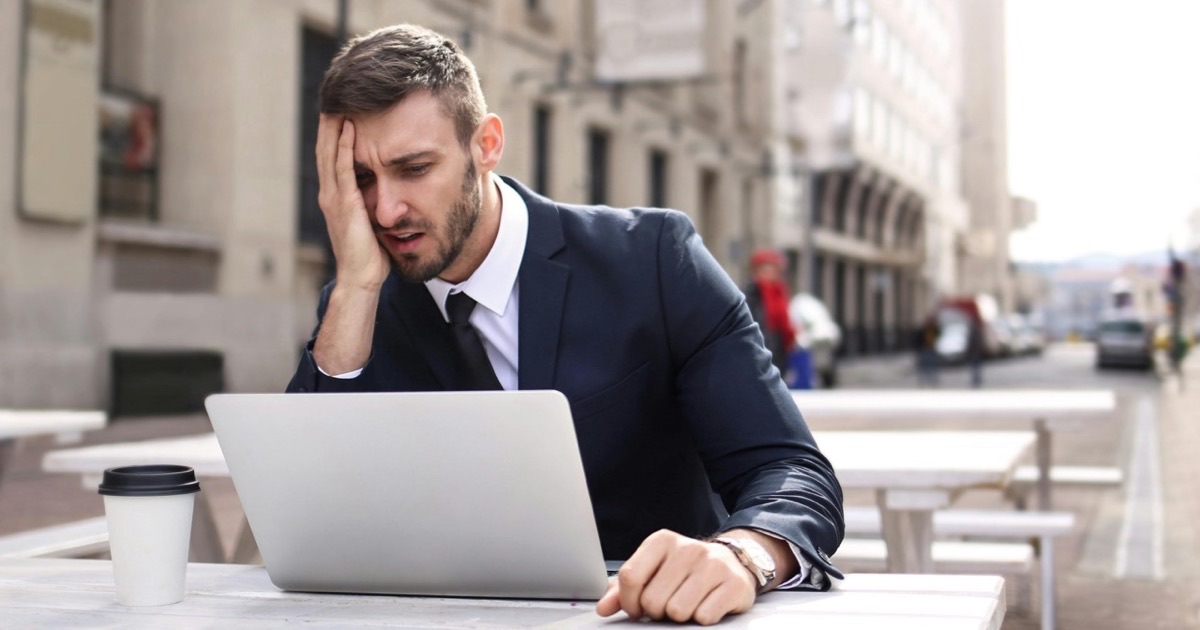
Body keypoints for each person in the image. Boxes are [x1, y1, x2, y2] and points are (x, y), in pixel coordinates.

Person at [286, 24, 843, 625]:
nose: (386, 210)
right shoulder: (359, 306)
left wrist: (741, 556)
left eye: (414, 168)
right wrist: (356, 286)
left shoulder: (654, 260)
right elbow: (305, 514)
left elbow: (790, 471)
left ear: (487, 145)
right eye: (361, 180)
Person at [742, 249, 797, 379]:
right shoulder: (751, 294)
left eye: (773, 270)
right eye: (765, 270)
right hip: (760, 346)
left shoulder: (780, 291)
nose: (769, 274)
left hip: (779, 348)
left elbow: (786, 321)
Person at [915, 315, 940, 387]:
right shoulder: (923, 330)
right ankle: (924, 380)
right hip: (924, 349)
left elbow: (939, 334)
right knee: (924, 365)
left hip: (932, 349)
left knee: (933, 364)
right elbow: (918, 339)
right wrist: (918, 349)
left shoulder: (934, 329)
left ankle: (933, 380)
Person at [967, 317, 986, 387]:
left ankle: (976, 379)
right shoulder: (977, 330)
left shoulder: (975, 331)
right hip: (975, 351)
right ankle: (976, 379)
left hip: (975, 351)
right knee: (975, 366)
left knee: (975, 366)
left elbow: (974, 342)